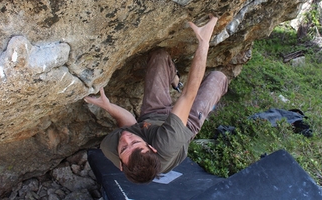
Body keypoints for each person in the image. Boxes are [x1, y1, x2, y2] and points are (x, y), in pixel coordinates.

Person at [84, 15, 228, 183]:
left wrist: (108, 106)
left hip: (152, 117)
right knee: (218, 77)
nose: (126, 139)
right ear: (151, 147)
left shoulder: (109, 147)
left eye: (124, 148)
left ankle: (174, 79)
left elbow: (129, 125)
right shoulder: (167, 145)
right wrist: (203, 42)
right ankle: (186, 84)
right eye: (135, 142)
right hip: (186, 125)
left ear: (120, 165)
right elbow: (189, 94)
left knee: (159, 56)